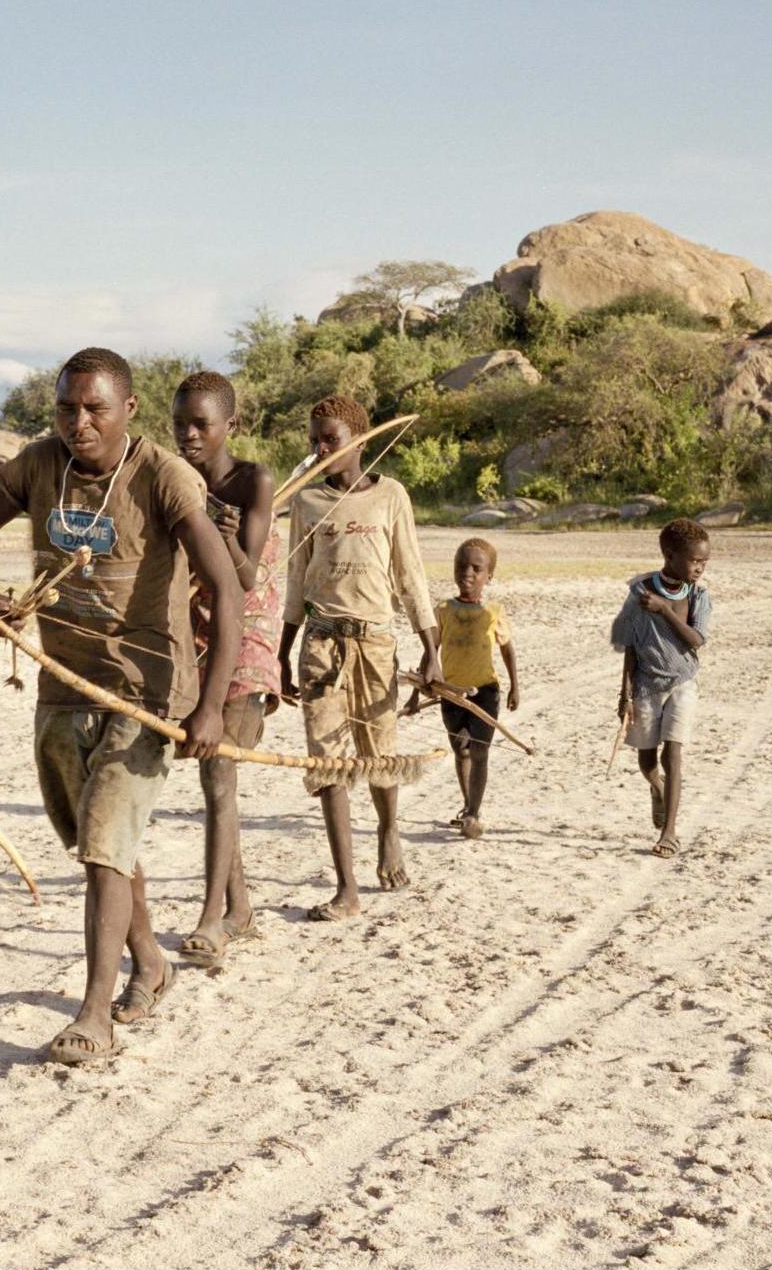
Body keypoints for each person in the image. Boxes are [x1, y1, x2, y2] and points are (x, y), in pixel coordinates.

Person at [0, 347, 240, 1065]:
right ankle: (148, 961)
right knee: (95, 844)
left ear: (128, 411)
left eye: (94, 409)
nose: (78, 423)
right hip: (62, 681)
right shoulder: (36, 465)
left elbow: (227, 590)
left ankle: (93, 1013)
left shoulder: (163, 476)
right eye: (65, 407)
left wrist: (208, 707)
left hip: (145, 691)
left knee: (104, 847)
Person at [277, 395, 437, 918]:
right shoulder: (306, 502)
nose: (320, 448)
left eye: (331, 439)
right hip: (321, 643)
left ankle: (389, 830)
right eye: (314, 439)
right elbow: (296, 579)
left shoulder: (390, 496)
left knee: (379, 751)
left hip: (375, 641)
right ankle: (346, 888)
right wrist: (282, 651)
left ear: (361, 441)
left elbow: (410, 572)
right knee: (328, 762)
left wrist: (431, 646)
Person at [169, 370, 280, 968]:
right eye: (179, 423)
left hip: (244, 645)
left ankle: (212, 918)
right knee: (216, 779)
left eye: (200, 425)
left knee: (218, 779)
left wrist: (230, 538)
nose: (187, 435)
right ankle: (238, 909)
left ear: (229, 427)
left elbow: (243, 577)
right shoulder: (173, 479)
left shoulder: (252, 480)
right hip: (192, 644)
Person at [609, 517, 713, 858]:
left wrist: (665, 610)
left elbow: (696, 640)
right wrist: (625, 694)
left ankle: (669, 832)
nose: (699, 568)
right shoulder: (640, 592)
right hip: (646, 686)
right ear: (669, 556)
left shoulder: (698, 595)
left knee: (673, 752)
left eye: (704, 562)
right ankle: (658, 787)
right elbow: (630, 645)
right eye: (694, 561)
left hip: (683, 683)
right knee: (646, 761)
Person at [417, 536, 520, 840]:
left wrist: (515, 686)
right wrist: (416, 692)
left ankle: (474, 812)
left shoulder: (494, 612)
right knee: (460, 750)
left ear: (490, 576)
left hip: (485, 691)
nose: (468, 573)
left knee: (480, 751)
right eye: (462, 566)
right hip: (450, 692)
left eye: (477, 568)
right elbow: (430, 652)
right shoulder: (443, 610)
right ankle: (467, 804)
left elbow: (507, 649)